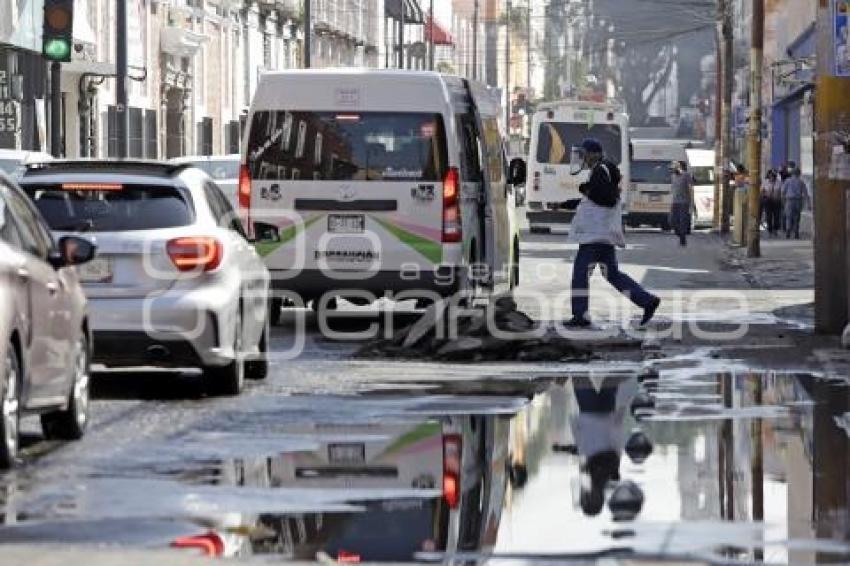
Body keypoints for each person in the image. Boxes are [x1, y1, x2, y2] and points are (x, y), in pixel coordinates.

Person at [568, 138, 661, 328]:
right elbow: (595, 199)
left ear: (594, 154)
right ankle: (647, 301)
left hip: (595, 235)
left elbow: (606, 199)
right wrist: (566, 202)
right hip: (602, 235)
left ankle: (580, 315)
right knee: (612, 274)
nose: (583, 157)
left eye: (585, 153)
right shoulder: (604, 170)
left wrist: (586, 190)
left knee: (580, 273)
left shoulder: (601, 171)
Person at [669, 160, 694, 246]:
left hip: (684, 202)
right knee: (672, 220)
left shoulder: (686, 175)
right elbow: (673, 189)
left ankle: (682, 238)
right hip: (675, 201)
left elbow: (690, 189)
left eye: (675, 166)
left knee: (682, 221)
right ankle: (680, 234)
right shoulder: (673, 176)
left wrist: (691, 202)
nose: (673, 168)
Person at [782, 168, 810, 239]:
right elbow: (805, 193)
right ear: (799, 174)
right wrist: (808, 203)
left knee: (788, 216)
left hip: (789, 200)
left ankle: (788, 231)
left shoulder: (787, 181)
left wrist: (783, 201)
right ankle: (796, 232)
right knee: (797, 217)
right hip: (798, 200)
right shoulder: (801, 182)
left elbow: (783, 191)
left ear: (792, 173)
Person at [762, 169, 782, 236]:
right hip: (768, 201)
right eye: (770, 176)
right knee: (769, 216)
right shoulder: (765, 182)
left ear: (775, 177)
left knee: (776, 216)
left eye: (773, 176)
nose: (771, 178)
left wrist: (780, 198)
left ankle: (775, 229)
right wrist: (765, 194)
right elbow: (762, 191)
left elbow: (781, 192)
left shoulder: (779, 183)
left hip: (776, 201)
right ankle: (770, 230)